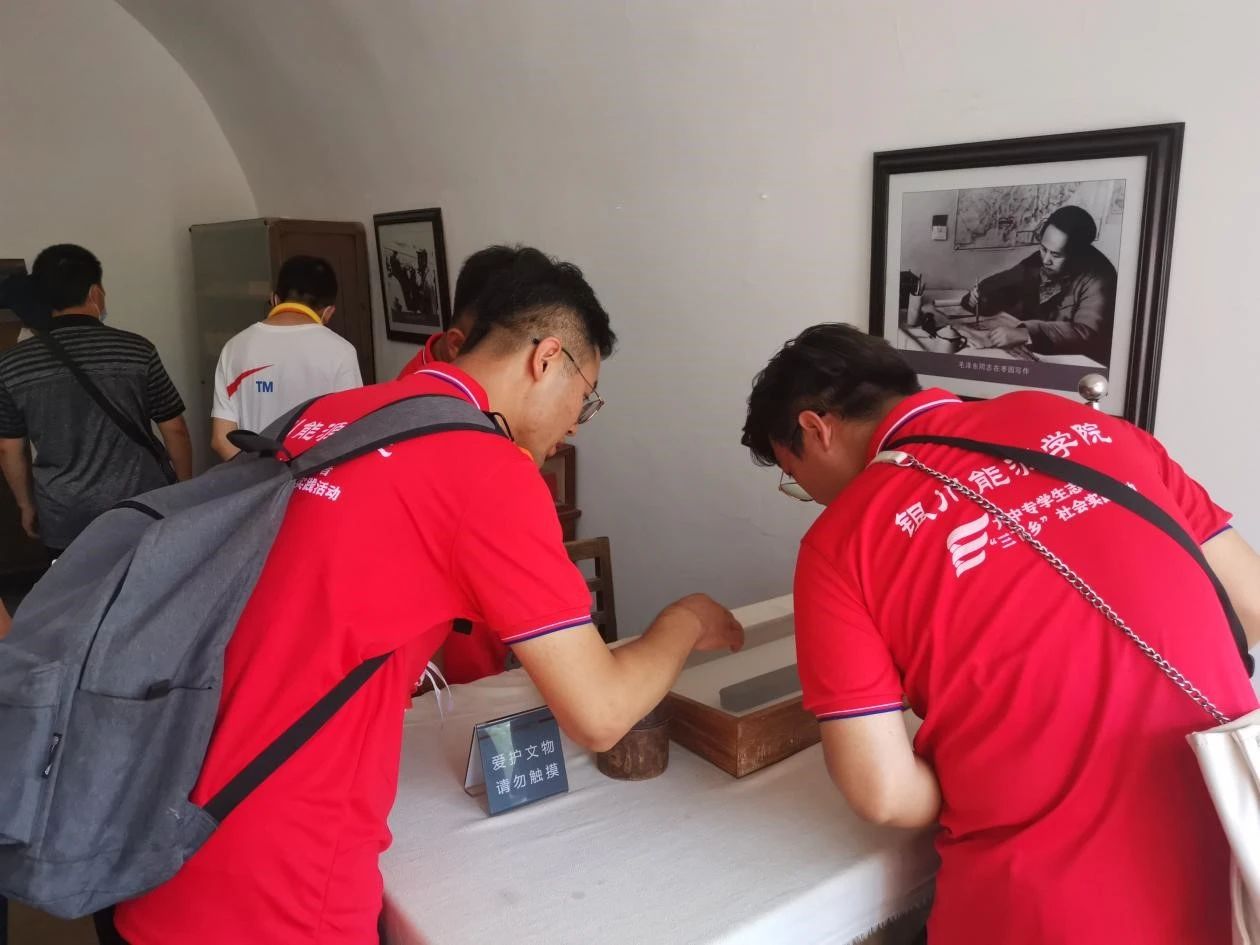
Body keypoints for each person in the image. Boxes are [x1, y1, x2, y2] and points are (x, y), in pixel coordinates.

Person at [113, 250, 742, 945]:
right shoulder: (487, 468)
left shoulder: (327, 413)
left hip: (157, 806)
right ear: (547, 359)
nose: (574, 422)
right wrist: (686, 620)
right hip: (279, 872)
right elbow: (601, 715)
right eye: (585, 398)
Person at [741, 323, 1260, 945]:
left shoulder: (842, 539)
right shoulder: (1089, 426)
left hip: (1042, 907)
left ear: (815, 429)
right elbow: (1252, 605)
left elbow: (884, 795)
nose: (808, 495)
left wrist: (992, 765)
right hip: (1233, 852)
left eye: (793, 475)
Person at [398, 245, 561, 683]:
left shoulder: (494, 396)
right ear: (459, 343)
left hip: (490, 626)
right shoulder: (419, 410)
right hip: (440, 651)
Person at [0, 245, 191, 558]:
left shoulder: (12, 364)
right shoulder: (136, 350)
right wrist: (182, 490)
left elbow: (8, 448)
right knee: (146, 581)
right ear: (95, 293)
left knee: (75, 585)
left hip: (63, 511)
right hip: (140, 505)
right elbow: (175, 429)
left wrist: (26, 505)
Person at [210, 255, 362, 460]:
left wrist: (254, 474)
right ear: (328, 312)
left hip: (253, 477)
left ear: (274, 299)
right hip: (314, 477)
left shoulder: (235, 347)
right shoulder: (342, 352)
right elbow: (350, 435)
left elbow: (221, 439)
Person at [961, 205, 1117, 363]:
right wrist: (982, 299)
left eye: (1056, 255)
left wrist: (1026, 333)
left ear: (1077, 254)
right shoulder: (1040, 259)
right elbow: (1003, 285)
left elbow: (1087, 333)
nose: (1046, 260)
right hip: (1035, 355)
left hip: (1078, 365)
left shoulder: (1100, 277)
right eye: (1043, 248)